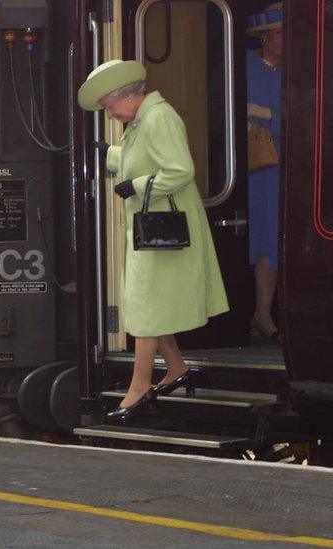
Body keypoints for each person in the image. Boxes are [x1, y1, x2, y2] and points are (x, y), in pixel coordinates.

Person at [77, 60, 229, 420]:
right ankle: (176, 369)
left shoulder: (158, 117)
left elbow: (179, 170)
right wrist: (110, 154)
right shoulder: (145, 118)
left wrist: (137, 185)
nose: (110, 113)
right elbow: (142, 157)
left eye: (110, 106)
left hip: (163, 230)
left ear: (127, 96)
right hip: (155, 229)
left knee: (146, 306)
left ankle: (139, 387)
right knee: (153, 302)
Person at [246, 3, 282, 339]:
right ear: (265, 38)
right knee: (266, 243)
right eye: (278, 33)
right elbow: (220, 103)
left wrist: (264, 114)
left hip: (292, 163)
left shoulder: (298, 71)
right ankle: (262, 314)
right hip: (260, 168)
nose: (283, 40)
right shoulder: (243, 67)